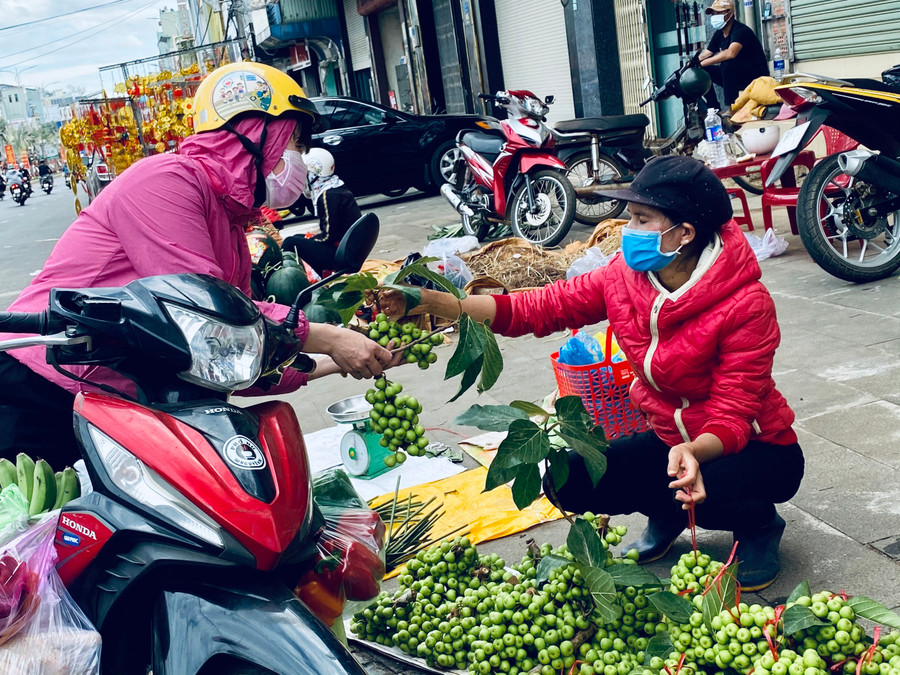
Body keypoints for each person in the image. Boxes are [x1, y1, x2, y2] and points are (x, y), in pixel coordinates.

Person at [376, 156, 803, 591]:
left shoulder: (746, 304)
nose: (627, 229)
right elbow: (544, 306)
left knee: (702, 486)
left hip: (752, 445)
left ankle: (759, 526)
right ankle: (667, 512)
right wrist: (447, 306)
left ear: (684, 233)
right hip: (668, 437)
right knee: (570, 479)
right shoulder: (626, 275)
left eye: (640, 218)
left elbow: (734, 410)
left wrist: (694, 451)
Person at [0, 62, 398, 469]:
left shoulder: (229, 224)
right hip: (36, 388)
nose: (299, 158)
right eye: (294, 142)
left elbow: (225, 353)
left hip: (111, 402)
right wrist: (329, 337)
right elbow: (203, 311)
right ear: (254, 132)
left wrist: (344, 358)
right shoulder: (164, 181)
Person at [281, 148, 362, 277]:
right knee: (298, 238)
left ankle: (293, 279)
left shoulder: (328, 195)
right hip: (348, 248)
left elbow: (328, 236)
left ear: (314, 173)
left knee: (290, 242)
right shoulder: (336, 187)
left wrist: (312, 239)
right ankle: (317, 277)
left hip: (342, 254)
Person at [699, 0, 769, 110]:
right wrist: (694, 64)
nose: (714, 17)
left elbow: (730, 53)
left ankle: (731, 108)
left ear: (730, 14)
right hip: (736, 77)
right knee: (704, 71)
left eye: (718, 13)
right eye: (713, 14)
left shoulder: (741, 30)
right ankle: (714, 109)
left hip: (755, 78)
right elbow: (707, 53)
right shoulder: (720, 33)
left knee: (727, 63)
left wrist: (702, 63)